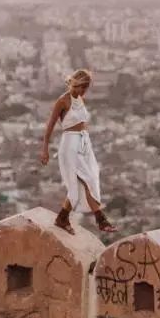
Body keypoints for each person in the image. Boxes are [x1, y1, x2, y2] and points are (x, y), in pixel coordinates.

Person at [40, 68, 117, 234]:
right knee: (84, 181)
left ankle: (62, 218)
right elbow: (50, 126)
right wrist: (45, 150)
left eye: (84, 88)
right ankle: (101, 220)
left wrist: (86, 141)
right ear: (73, 83)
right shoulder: (63, 101)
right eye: (78, 86)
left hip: (83, 143)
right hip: (70, 144)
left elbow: (83, 122)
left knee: (89, 180)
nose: (80, 90)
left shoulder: (81, 99)